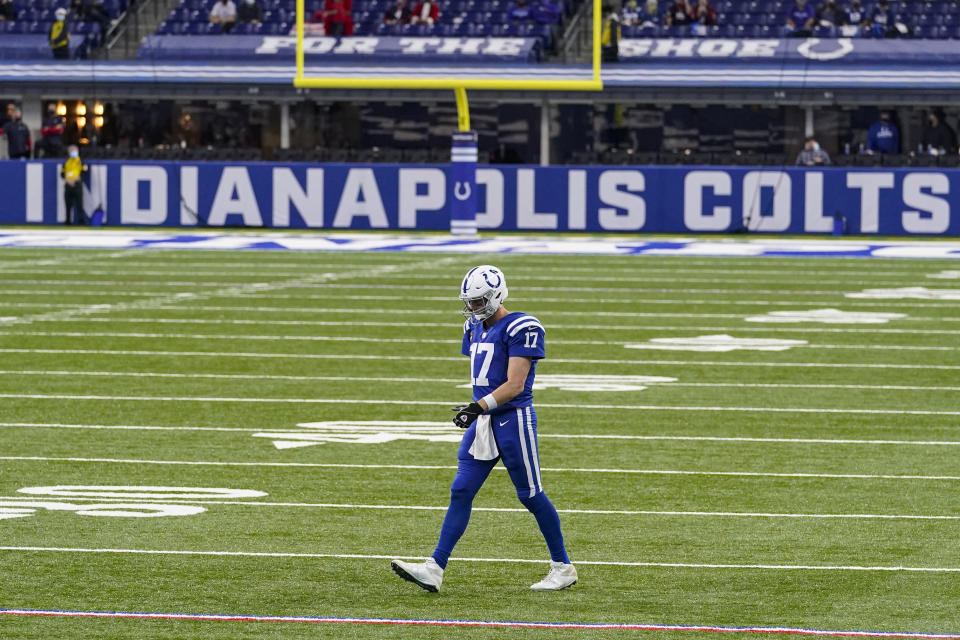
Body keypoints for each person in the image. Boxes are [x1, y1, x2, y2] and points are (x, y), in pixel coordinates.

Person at [390, 266, 577, 593]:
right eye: (470, 302)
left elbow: (515, 384)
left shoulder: (522, 326)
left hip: (513, 420)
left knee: (530, 495)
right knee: (461, 490)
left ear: (496, 294)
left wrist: (476, 407)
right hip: (484, 421)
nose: (473, 307)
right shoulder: (472, 327)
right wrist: (476, 409)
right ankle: (434, 568)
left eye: (479, 301)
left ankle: (562, 567)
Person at [61, 145, 88, 225]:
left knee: (80, 204)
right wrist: (68, 180)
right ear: (69, 152)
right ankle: (68, 221)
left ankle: (81, 221)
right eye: (72, 151)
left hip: (77, 185)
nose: (74, 152)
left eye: (75, 151)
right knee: (68, 204)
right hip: (68, 185)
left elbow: (84, 172)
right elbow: (62, 174)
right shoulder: (66, 162)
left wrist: (76, 179)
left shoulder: (81, 161)